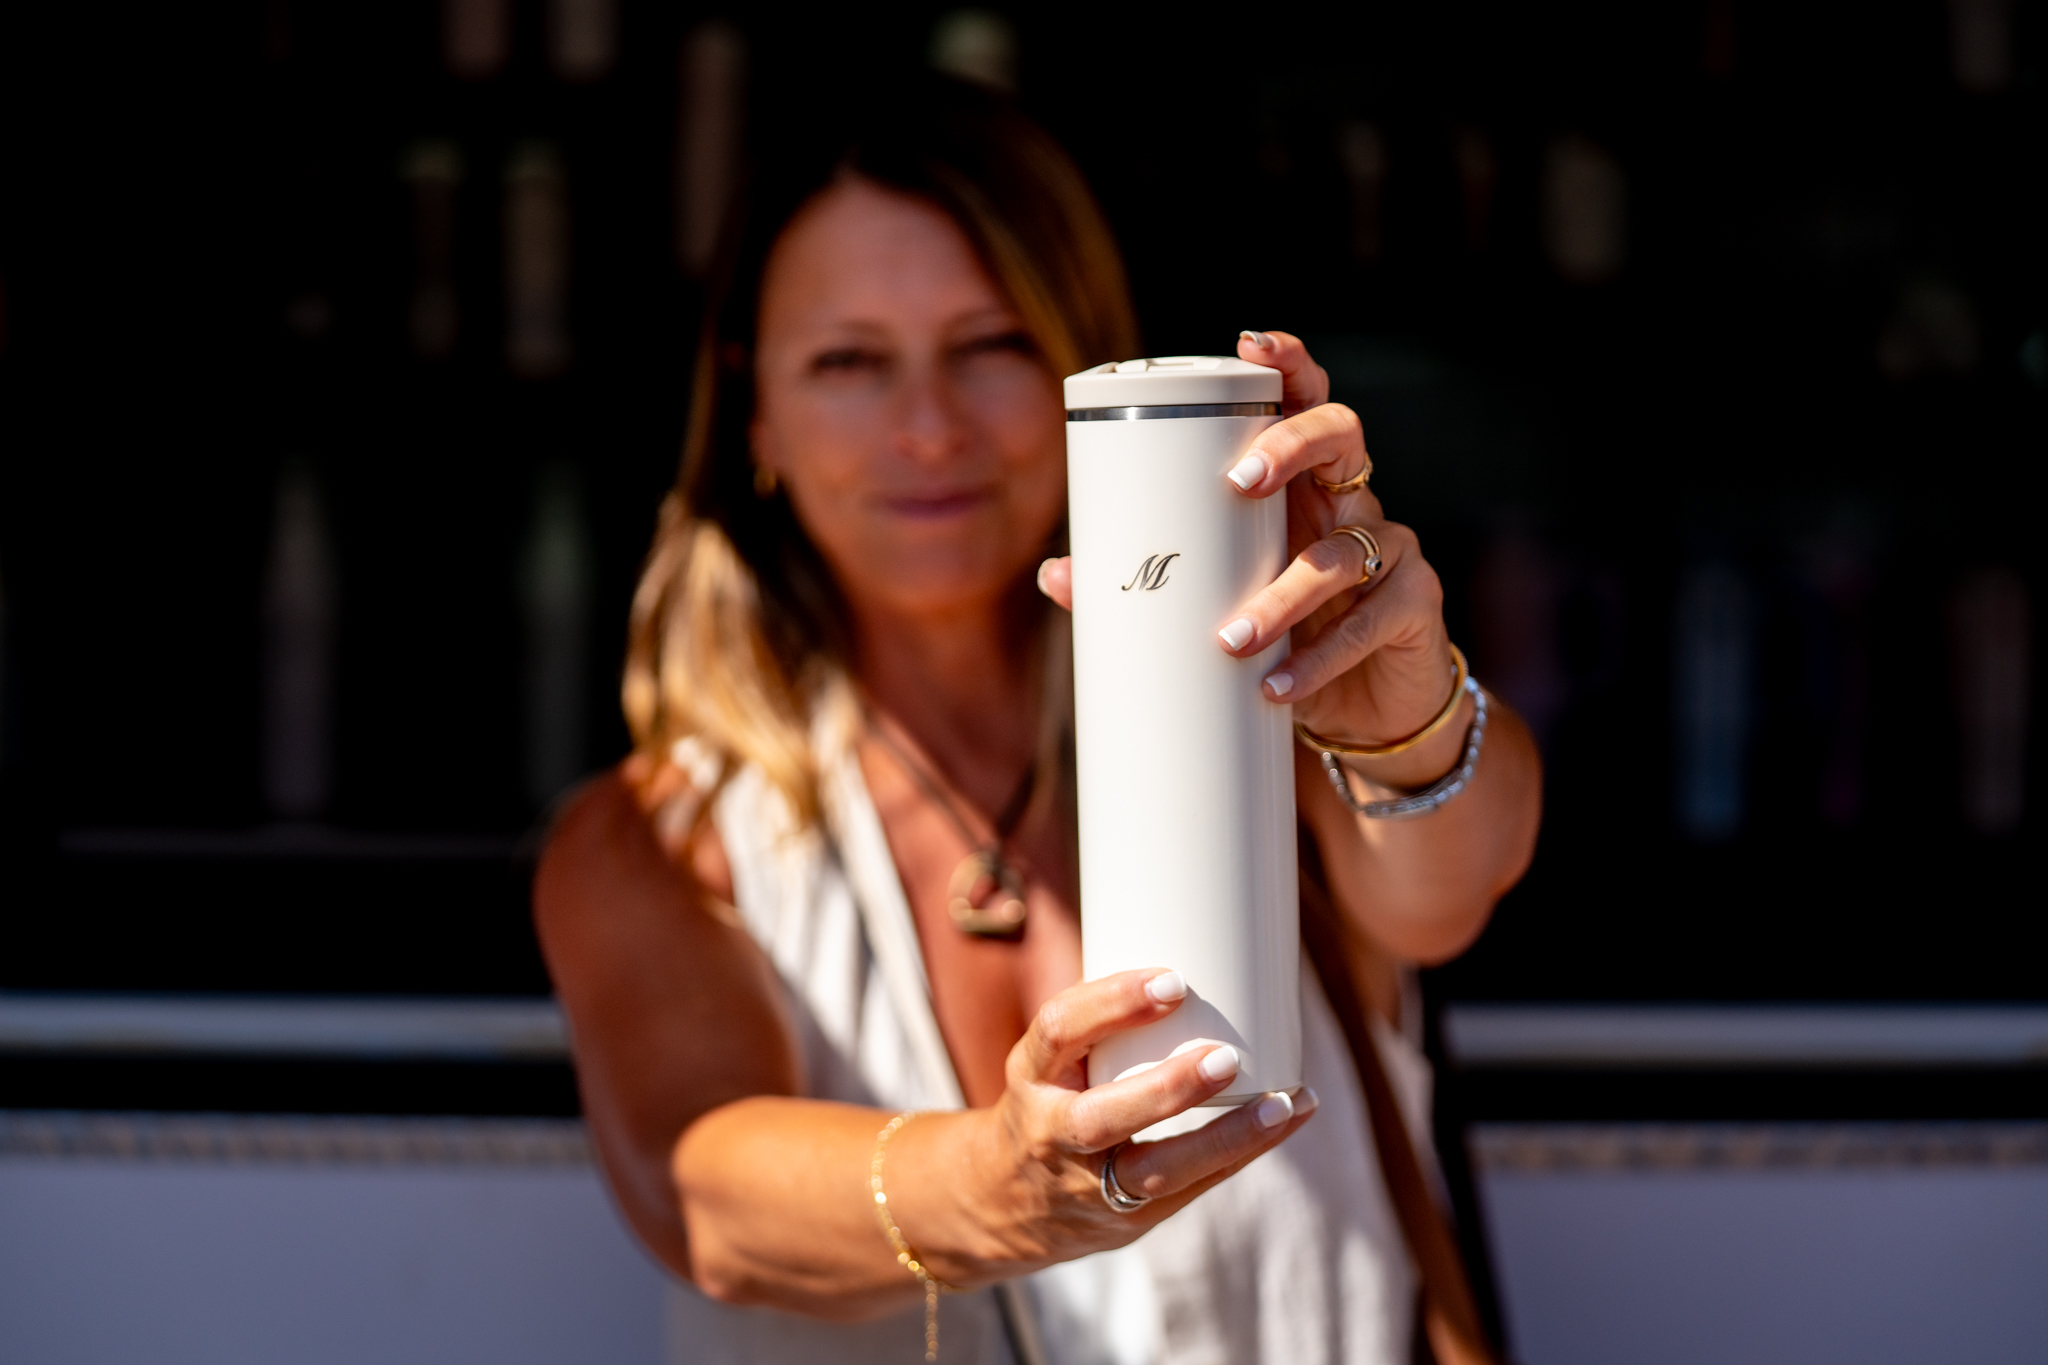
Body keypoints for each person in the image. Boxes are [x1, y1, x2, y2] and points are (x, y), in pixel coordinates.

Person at [535, 76, 1541, 1365]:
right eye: (850, 362)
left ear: (1082, 369)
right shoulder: (656, 844)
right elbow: (707, 1201)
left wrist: (1402, 719)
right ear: (753, 410)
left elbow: (1447, 893)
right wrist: (1003, 1185)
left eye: (991, 345)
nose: (928, 428)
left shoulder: (1259, 699)